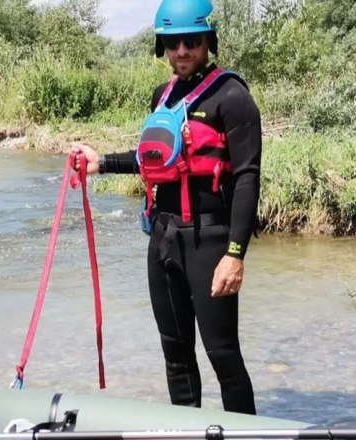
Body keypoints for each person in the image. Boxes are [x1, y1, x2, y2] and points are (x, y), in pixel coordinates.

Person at [70, 0, 261, 415]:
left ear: (208, 41)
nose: (182, 51)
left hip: (210, 241)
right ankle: (188, 431)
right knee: (175, 355)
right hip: (163, 240)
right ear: (162, 46)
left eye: (191, 41)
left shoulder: (233, 97)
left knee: (223, 356)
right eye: (173, 43)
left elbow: (248, 177)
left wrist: (235, 255)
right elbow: (152, 159)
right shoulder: (163, 96)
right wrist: (101, 163)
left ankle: (247, 434)